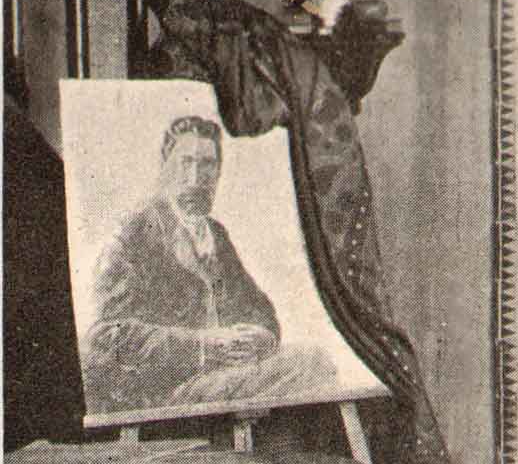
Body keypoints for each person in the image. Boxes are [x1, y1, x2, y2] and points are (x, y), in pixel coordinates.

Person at [80, 115, 333, 414]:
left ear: (219, 171)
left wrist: (261, 336)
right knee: (310, 364)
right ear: (165, 166)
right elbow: (104, 336)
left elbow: (257, 308)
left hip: (215, 379)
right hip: (161, 392)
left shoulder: (215, 234)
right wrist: (202, 345)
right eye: (185, 163)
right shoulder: (135, 232)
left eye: (207, 165)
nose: (195, 178)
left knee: (313, 360)